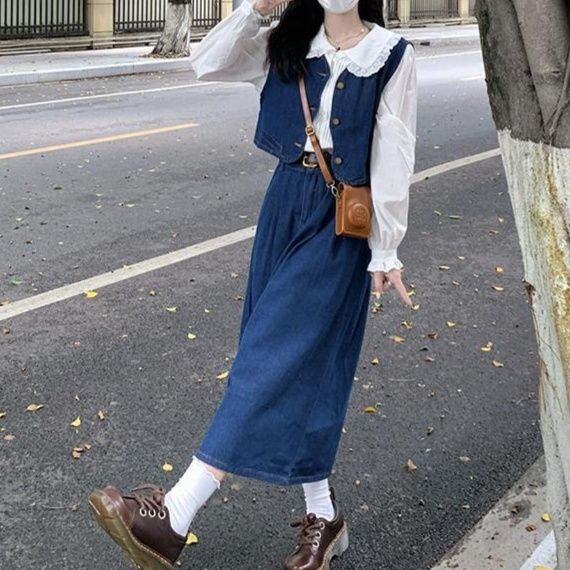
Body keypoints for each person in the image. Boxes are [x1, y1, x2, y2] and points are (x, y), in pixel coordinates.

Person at [87, 0, 417, 568]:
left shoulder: (390, 55)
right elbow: (207, 62)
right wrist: (257, 6)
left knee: (271, 356)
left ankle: (176, 514)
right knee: (287, 360)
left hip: (340, 221)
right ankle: (323, 513)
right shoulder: (287, 42)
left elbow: (396, 149)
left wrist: (386, 248)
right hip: (284, 203)